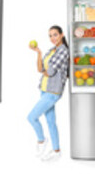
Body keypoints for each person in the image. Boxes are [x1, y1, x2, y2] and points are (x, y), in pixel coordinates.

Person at [28, 26, 69, 161]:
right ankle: (57, 151)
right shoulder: (52, 50)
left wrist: (46, 70)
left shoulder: (63, 51)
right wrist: (39, 53)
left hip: (53, 91)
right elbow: (40, 69)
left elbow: (50, 72)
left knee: (31, 117)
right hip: (44, 89)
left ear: (62, 35)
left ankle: (41, 140)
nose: (53, 38)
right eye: (50, 36)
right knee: (51, 122)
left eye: (55, 35)